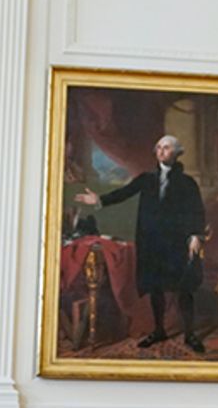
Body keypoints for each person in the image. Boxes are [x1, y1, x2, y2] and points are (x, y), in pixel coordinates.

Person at [75, 135, 207, 353]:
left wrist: (195, 236)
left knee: (185, 289)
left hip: (177, 243)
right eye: (160, 148)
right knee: (155, 288)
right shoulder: (146, 179)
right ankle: (159, 330)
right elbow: (123, 193)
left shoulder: (187, 183)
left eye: (168, 148)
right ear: (156, 152)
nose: (163, 152)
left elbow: (197, 211)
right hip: (153, 243)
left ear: (177, 153)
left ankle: (190, 334)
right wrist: (98, 200)